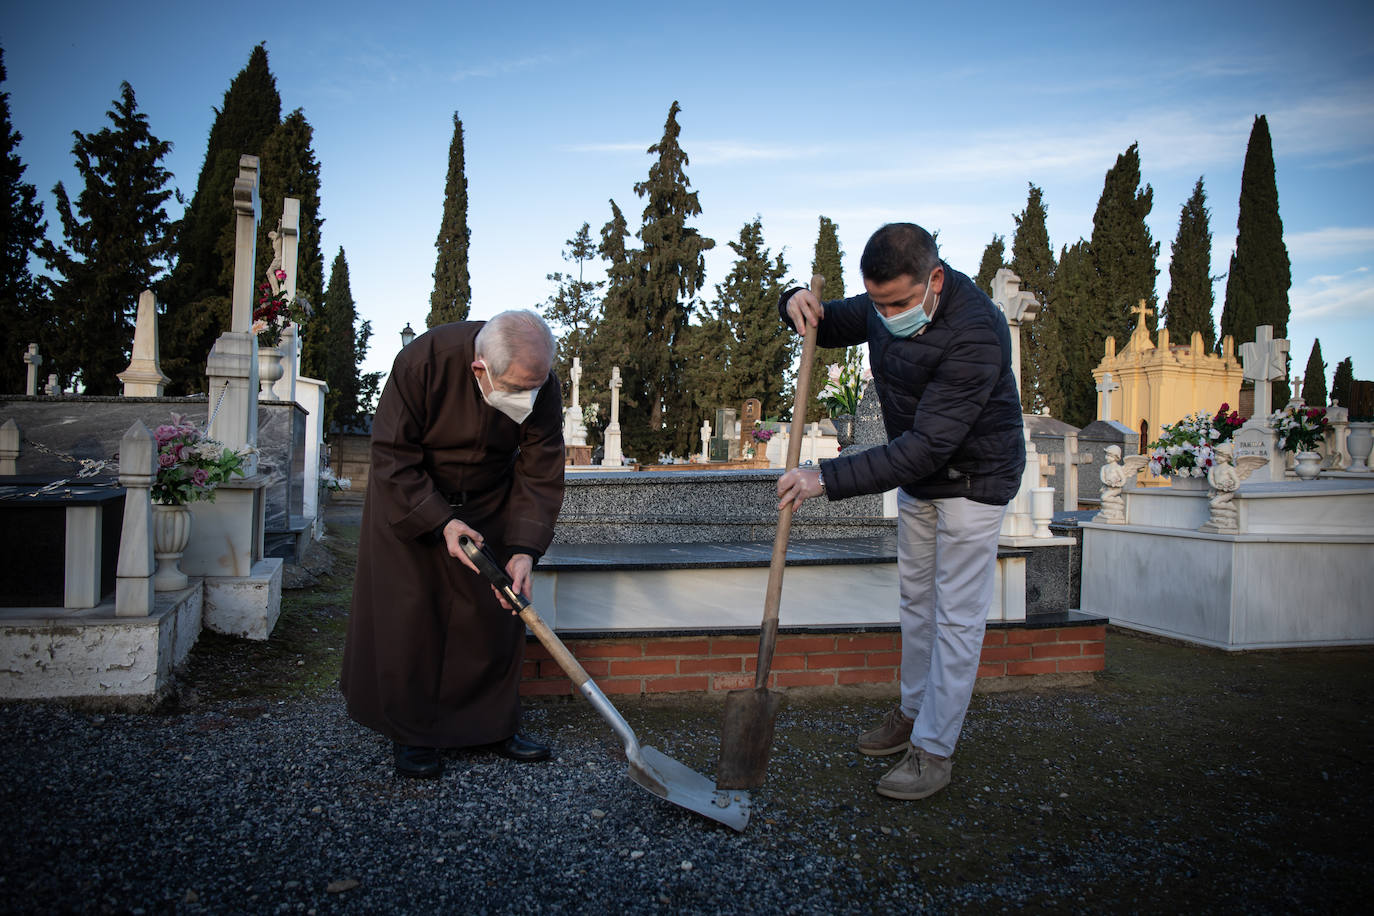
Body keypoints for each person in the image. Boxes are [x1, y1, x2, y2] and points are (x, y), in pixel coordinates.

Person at [776, 223, 1025, 800]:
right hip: (920, 480)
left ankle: (934, 750)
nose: (885, 317)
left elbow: (928, 445)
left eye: (898, 304)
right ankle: (914, 712)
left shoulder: (978, 329)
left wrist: (825, 477)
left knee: (956, 616)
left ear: (934, 279)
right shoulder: (882, 302)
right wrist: (792, 300)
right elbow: (826, 321)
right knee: (916, 600)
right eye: (877, 303)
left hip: (975, 479)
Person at [341, 310, 565, 779]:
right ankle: (413, 731)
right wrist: (439, 520)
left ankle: (492, 725)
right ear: (480, 368)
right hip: (414, 499)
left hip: (489, 499)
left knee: (492, 613)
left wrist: (525, 547)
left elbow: (541, 465)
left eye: (534, 388)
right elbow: (393, 454)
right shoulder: (423, 361)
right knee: (412, 615)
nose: (528, 398)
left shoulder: (541, 379)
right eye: (517, 389)